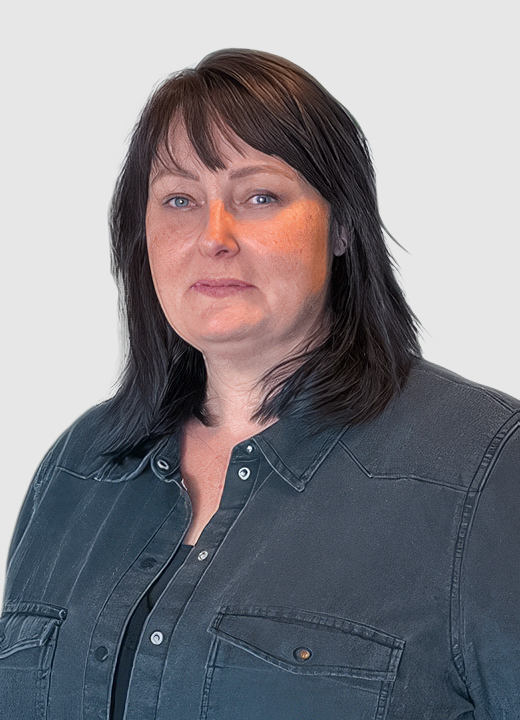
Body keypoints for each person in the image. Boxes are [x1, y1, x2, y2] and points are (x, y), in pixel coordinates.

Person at [1, 48, 519, 720]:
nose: (213, 237)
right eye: (180, 199)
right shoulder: (79, 469)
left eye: (260, 197)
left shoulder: (484, 471)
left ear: (342, 225)